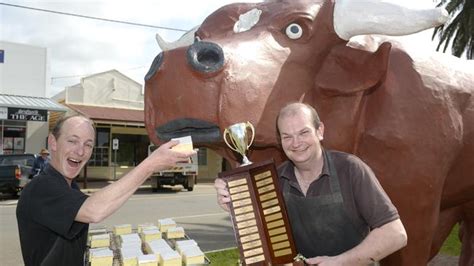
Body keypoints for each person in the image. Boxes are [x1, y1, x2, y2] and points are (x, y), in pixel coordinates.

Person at [215, 102, 407, 265]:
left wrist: (339, 262)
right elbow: (264, 236)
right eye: (287, 136)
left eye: (303, 132)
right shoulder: (275, 179)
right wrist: (237, 203)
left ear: (320, 131)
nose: (296, 143)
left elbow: (395, 234)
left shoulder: (350, 169)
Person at [16, 114, 196, 265]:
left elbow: (101, 204)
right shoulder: (40, 188)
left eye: (88, 144)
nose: (80, 151)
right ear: (53, 143)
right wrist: (150, 165)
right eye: (72, 141)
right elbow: (94, 211)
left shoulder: (68, 186)